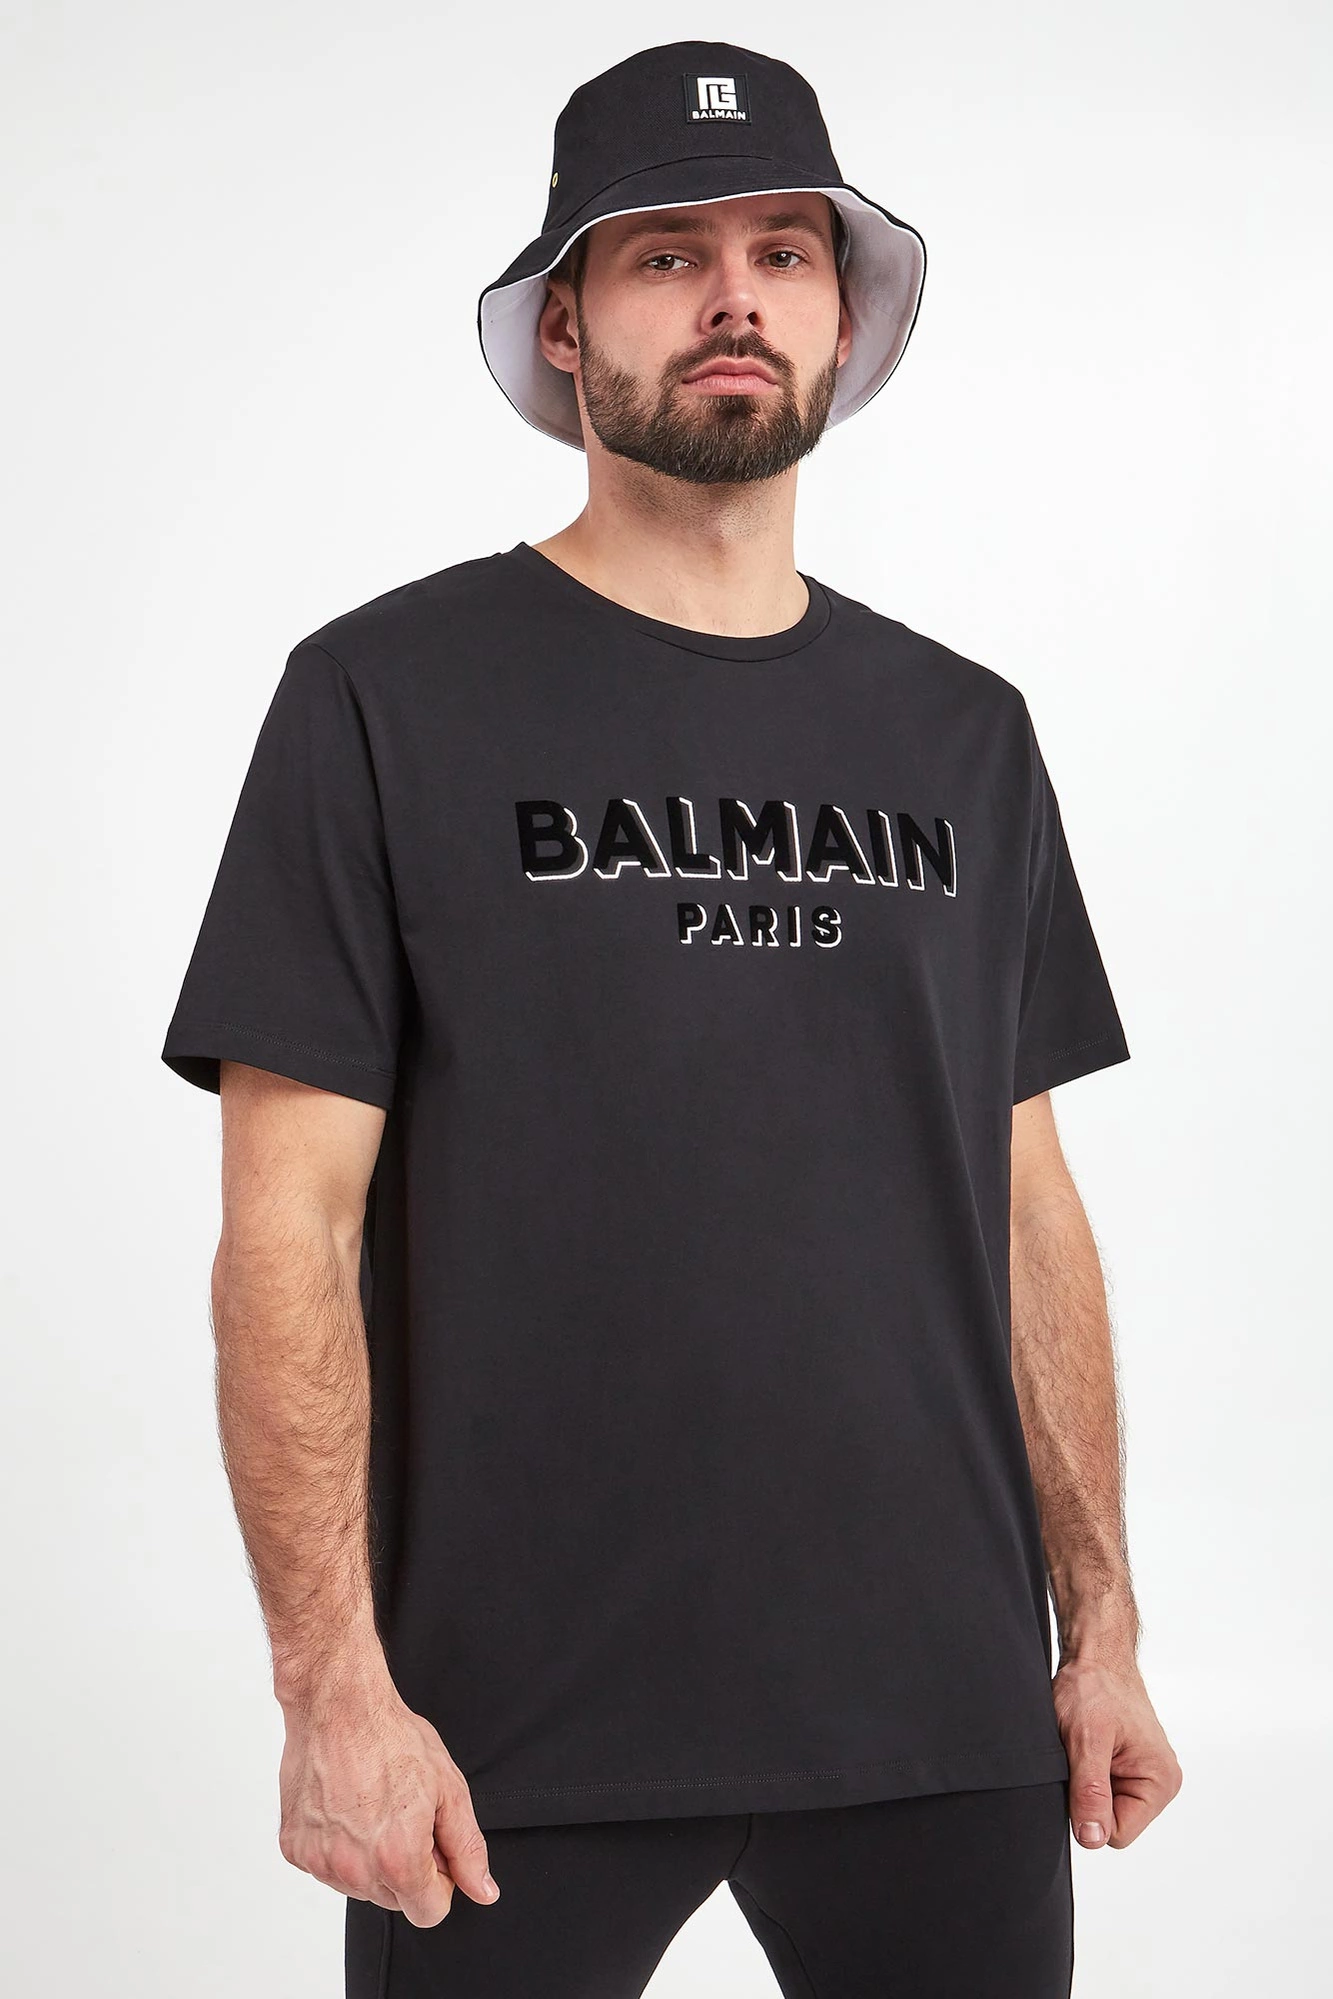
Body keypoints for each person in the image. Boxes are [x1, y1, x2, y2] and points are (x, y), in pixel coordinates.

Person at [161, 39, 1182, 1999]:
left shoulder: (965, 736)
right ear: (565, 324)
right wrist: (329, 1691)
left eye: (785, 251)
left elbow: (1025, 1204)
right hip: (502, 1731)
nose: (736, 295)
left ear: (838, 319)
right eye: (666, 253)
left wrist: (1104, 1627)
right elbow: (284, 1226)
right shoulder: (382, 698)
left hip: (940, 1713)